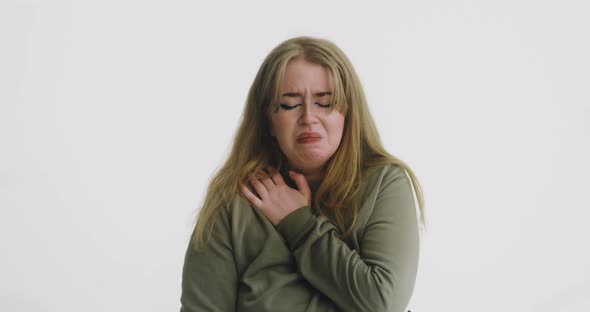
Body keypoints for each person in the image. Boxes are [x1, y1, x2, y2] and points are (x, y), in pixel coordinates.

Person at [180, 36, 425, 312]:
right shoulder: (234, 200)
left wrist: (298, 223)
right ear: (268, 120)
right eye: (289, 104)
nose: (308, 117)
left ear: (348, 113)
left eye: (325, 102)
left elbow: (383, 303)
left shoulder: (385, 184)